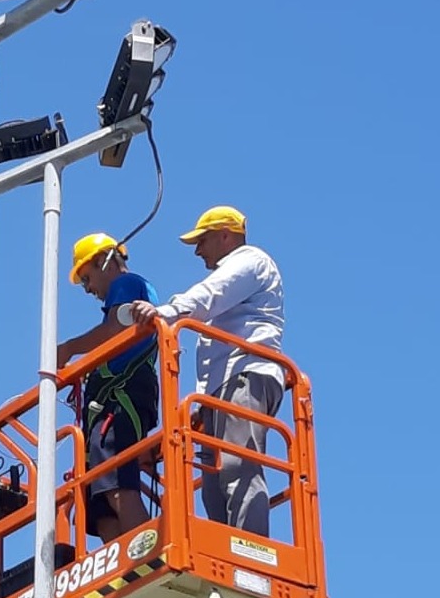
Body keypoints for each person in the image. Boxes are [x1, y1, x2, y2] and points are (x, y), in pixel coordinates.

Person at [129, 206, 285, 537]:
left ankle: (250, 551)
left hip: (245, 375)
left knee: (237, 466)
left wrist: (164, 312)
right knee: (214, 484)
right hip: (226, 383)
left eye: (202, 240)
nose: (198, 250)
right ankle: (228, 549)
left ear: (225, 235)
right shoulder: (241, 270)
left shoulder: (250, 261)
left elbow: (209, 296)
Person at [57, 233, 159, 543]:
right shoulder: (127, 290)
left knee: (116, 486)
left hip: (121, 399)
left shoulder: (127, 285)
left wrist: (69, 349)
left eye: (87, 277)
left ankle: (147, 554)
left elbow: (116, 327)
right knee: (98, 505)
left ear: (106, 260)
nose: (87, 288)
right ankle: (121, 561)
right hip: (109, 404)